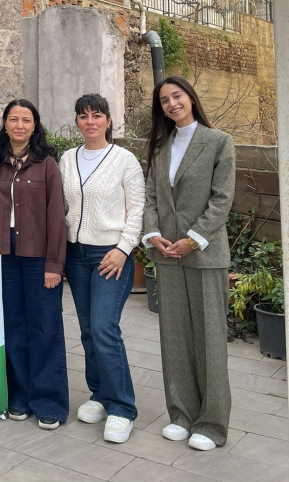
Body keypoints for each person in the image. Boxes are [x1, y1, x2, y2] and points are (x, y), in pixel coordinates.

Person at [143, 77, 235, 451]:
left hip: (204, 255)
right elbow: (150, 197)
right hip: (168, 255)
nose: (171, 104)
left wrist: (193, 238)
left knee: (210, 340)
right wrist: (152, 234)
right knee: (175, 338)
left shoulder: (219, 142)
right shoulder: (160, 147)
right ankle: (181, 414)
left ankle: (212, 424)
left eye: (177, 96)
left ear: (191, 98)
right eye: (164, 100)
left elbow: (222, 199)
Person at [59, 94, 145, 444]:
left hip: (110, 255)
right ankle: (99, 393)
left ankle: (122, 407)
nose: (90, 121)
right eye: (83, 116)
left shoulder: (124, 160)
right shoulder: (67, 158)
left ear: (109, 120)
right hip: (75, 254)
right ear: (77, 122)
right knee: (87, 329)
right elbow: (62, 206)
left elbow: (137, 209)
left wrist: (124, 249)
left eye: (97, 115)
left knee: (104, 327)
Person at [0, 99, 68, 430]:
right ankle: (19, 396)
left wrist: (54, 264)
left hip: (39, 256)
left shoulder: (47, 164)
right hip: (4, 255)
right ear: (5, 124)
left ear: (35, 126)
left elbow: (57, 217)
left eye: (26, 120)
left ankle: (49, 401)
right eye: (14, 119)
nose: (19, 125)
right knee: (12, 326)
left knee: (45, 327)